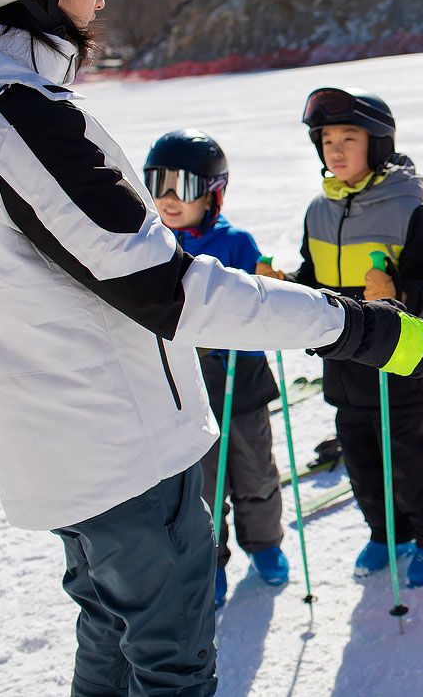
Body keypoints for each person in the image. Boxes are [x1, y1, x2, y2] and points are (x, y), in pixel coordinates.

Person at [0, 0, 423, 694]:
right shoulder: (19, 121)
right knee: (172, 660)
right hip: (119, 453)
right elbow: (176, 291)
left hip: (59, 454)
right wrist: (357, 328)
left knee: (112, 632)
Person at [272, 86, 423, 586]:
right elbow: (315, 283)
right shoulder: (318, 210)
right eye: (327, 140)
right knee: (361, 458)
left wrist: (398, 292)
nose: (335, 150)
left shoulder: (408, 210)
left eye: (349, 138)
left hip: (399, 364)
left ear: (377, 143)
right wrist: (288, 288)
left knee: (411, 458)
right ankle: (389, 532)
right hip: (343, 365)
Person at [145, 129, 290, 609]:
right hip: (185, 389)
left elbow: (260, 299)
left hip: (240, 381)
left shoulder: (235, 241)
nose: (167, 198)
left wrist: (270, 284)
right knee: (203, 488)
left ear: (212, 193)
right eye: (157, 183)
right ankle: (212, 563)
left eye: (181, 186)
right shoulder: (149, 246)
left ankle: (265, 546)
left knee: (254, 475)